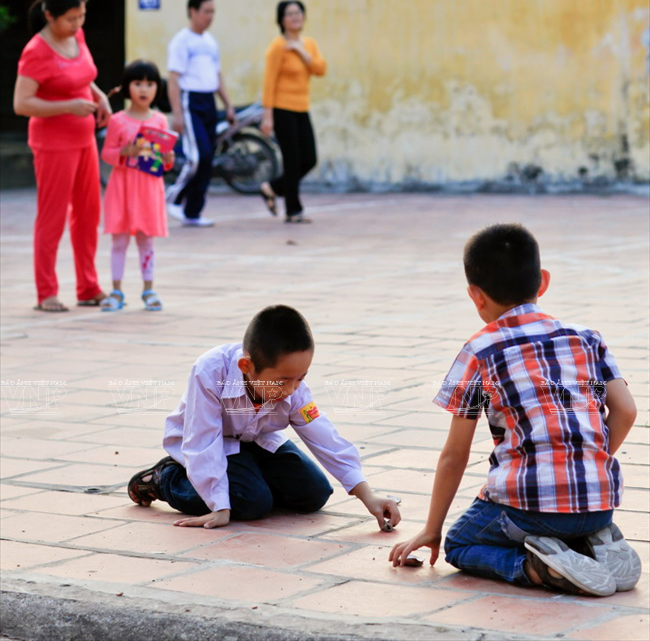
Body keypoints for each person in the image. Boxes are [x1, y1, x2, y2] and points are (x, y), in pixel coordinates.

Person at [389, 223, 641, 597]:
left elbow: (455, 454)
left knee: (460, 542)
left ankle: (538, 569)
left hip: (530, 508)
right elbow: (626, 411)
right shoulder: (587, 338)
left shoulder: (480, 352)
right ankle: (590, 540)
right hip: (600, 502)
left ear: (476, 296)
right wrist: (586, 462)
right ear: (543, 281)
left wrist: (432, 529)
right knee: (560, 518)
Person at [127, 304, 401, 531]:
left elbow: (323, 436)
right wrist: (219, 506)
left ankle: (250, 483)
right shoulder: (209, 371)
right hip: (213, 443)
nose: (291, 389)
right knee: (250, 503)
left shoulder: (293, 387)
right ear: (246, 366)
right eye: (282, 381)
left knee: (314, 493)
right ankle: (165, 478)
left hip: (258, 440)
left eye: (301, 378)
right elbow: (203, 440)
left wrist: (368, 496)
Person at [13, 0, 111, 312]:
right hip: (53, 144)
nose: (77, 24)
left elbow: (83, 76)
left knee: (88, 214)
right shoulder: (36, 52)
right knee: (52, 217)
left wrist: (99, 97)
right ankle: (46, 292)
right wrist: (68, 106)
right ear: (50, 16)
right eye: (71, 18)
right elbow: (21, 103)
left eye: (81, 16)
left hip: (84, 139)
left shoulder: (76, 36)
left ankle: (88, 286)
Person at [100, 60, 175, 313]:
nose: (144, 89)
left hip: (148, 189)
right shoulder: (117, 120)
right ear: (127, 87)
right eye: (138, 83)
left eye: (150, 84)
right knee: (119, 240)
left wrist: (168, 158)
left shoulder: (160, 120)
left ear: (157, 88)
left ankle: (149, 290)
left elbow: (164, 161)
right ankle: (116, 290)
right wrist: (123, 152)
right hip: (122, 187)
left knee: (146, 241)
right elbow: (107, 153)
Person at [165, 0, 235, 227]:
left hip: (209, 102)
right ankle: (172, 198)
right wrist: (177, 114)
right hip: (190, 101)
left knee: (208, 159)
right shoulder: (181, 41)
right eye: (206, 11)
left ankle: (193, 212)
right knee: (197, 157)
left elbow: (217, 76)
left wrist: (228, 104)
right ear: (192, 11)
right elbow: (173, 80)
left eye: (213, 12)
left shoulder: (211, 42)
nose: (210, 16)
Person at [260, 0, 326, 223]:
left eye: (298, 12)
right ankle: (293, 210)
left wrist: (300, 51)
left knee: (309, 158)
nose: (295, 17)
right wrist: (267, 116)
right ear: (281, 20)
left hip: (301, 108)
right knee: (292, 160)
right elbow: (269, 83)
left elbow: (320, 69)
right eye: (289, 13)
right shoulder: (277, 47)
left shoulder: (309, 44)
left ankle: (272, 188)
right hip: (282, 109)